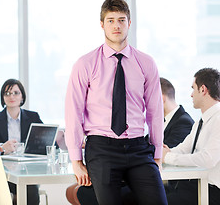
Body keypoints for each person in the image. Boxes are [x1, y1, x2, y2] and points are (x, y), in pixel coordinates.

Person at [65, 0, 167, 205]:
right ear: (101, 24)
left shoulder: (146, 63)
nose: (116, 25)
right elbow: (73, 112)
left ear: (129, 23)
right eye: (110, 20)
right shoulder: (85, 64)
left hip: (139, 147)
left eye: (121, 20)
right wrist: (76, 160)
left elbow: (155, 112)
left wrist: (157, 154)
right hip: (102, 148)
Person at [66, 77, 194, 204]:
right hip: (143, 174)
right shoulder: (163, 122)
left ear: (160, 97)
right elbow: (146, 147)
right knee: (83, 189)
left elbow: (164, 153)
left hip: (166, 183)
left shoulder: (183, 122)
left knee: (86, 193)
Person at [163, 68, 220, 205]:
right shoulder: (201, 121)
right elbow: (185, 148)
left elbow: (208, 159)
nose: (191, 95)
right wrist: (167, 151)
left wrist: (168, 157)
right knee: (149, 194)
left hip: (211, 191)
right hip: (194, 186)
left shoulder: (218, 119)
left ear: (203, 90)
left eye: (193, 89)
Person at [0, 78, 42, 204]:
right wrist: (1, 147)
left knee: (30, 190)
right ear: (2, 97)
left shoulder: (33, 117)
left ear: (22, 97)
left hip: (27, 169)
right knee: (16, 192)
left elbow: (44, 141)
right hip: (3, 170)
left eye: (16, 93)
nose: (11, 96)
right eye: (7, 93)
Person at [161, 77, 194, 148]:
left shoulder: (184, 123)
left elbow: (166, 155)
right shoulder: (161, 121)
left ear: (162, 98)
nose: (146, 104)